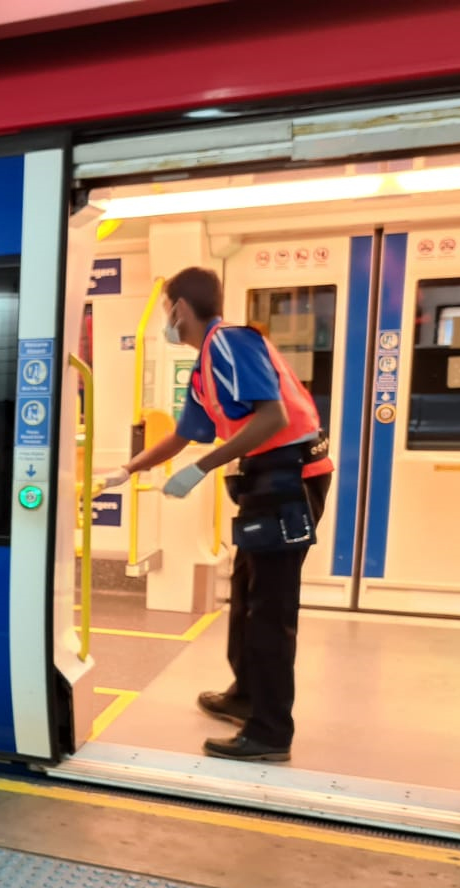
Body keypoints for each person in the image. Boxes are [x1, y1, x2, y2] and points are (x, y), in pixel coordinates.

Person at [96, 267, 334, 763]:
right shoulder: (206, 366)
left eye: (166, 307)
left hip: (289, 478)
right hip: (265, 479)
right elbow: (186, 433)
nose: (166, 317)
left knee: (270, 608)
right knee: (246, 593)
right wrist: (128, 469)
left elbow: (274, 418)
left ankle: (270, 732)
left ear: (179, 307)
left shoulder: (228, 342)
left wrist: (202, 469)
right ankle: (245, 695)